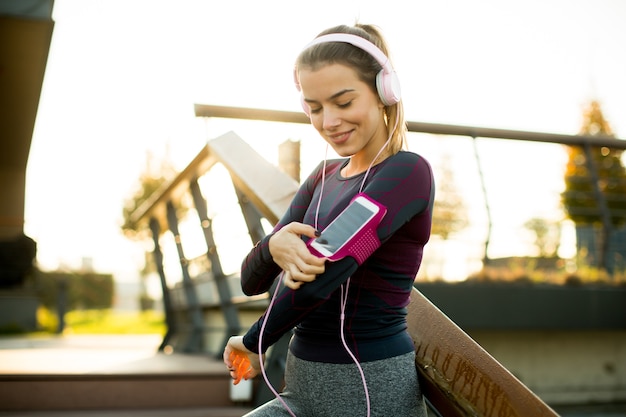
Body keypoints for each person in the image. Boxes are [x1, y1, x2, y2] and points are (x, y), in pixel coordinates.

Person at [223, 23, 434, 417]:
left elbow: (326, 270)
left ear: (385, 92)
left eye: (343, 102)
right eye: (315, 108)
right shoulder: (322, 177)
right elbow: (251, 280)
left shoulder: (407, 174)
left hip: (370, 390)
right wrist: (273, 245)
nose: (329, 121)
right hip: (302, 388)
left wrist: (254, 341)